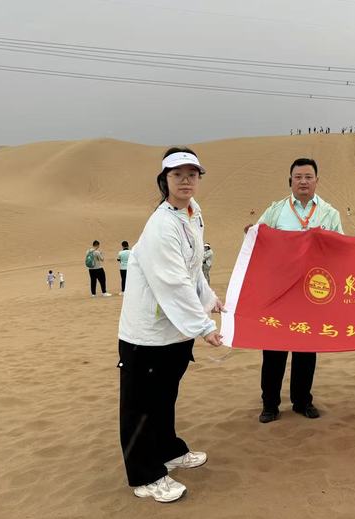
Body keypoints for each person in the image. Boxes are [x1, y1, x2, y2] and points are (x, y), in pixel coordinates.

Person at [117, 146, 225, 503]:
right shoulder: (161, 225)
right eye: (177, 175)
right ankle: (144, 475)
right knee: (141, 406)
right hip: (146, 335)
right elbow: (172, 282)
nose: (185, 181)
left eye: (192, 174)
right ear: (164, 180)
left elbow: (192, 269)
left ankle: (167, 450)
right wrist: (204, 326)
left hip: (174, 333)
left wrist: (210, 299)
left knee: (165, 397)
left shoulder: (193, 213)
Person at [254, 158, 343, 423]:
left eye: (308, 177)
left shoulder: (329, 213)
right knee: (274, 350)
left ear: (316, 181)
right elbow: (257, 240)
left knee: (306, 350)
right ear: (290, 181)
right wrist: (252, 233)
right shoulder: (275, 211)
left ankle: (302, 401)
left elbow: (340, 247)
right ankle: (270, 404)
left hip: (312, 293)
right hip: (279, 292)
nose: (303, 181)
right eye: (298, 177)